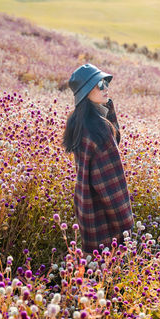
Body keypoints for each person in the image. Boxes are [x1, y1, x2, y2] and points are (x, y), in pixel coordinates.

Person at [63, 63, 134, 254]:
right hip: (107, 220)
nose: (106, 88)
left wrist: (108, 107)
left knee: (91, 275)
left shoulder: (79, 122)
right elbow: (112, 185)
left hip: (87, 211)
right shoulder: (99, 128)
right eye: (100, 84)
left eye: (106, 82)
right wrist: (127, 226)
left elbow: (114, 138)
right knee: (109, 278)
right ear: (86, 92)